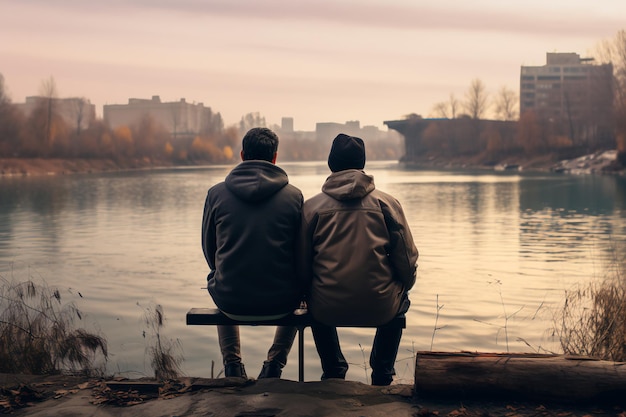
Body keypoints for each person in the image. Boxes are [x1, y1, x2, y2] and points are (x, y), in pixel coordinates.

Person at [301, 133, 418, 386]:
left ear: (331, 164)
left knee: (313, 297)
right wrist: (403, 285)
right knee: (402, 298)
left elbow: (301, 266)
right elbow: (407, 262)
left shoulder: (311, 208)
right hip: (380, 305)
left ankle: (333, 369)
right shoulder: (388, 204)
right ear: (362, 164)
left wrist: (307, 290)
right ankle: (382, 373)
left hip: (325, 306)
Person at [201, 127, 303, 379]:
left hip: (231, 300)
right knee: (301, 292)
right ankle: (274, 366)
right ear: (275, 157)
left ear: (242, 155)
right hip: (282, 302)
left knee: (220, 277)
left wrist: (221, 269)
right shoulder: (294, 196)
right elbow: (301, 254)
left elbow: (209, 248)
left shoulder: (216, 194)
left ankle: (233, 366)